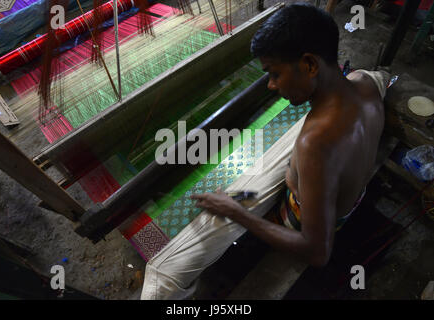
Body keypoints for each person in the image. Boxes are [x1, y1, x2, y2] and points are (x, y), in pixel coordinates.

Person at [140, 3, 390, 299]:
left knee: (166, 268)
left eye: (274, 73)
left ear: (310, 64)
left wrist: (236, 212)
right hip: (347, 197)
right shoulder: (364, 83)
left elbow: (317, 252)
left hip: (302, 221)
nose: (271, 85)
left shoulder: (315, 145)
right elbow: (381, 79)